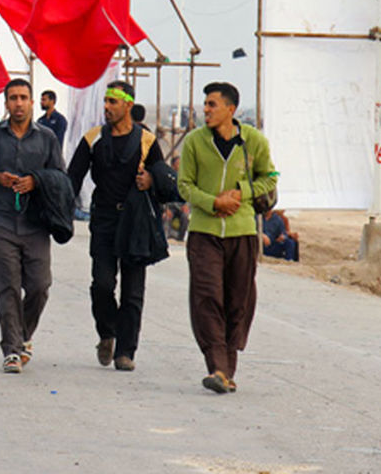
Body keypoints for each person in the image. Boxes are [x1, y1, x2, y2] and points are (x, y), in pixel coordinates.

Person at [179, 82, 277, 394]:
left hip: (243, 232)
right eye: (204, 104)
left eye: (211, 105)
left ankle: (227, 368)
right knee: (206, 296)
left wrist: (242, 193)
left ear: (230, 110)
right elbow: (184, 185)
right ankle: (217, 367)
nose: (205, 110)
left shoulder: (254, 142)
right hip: (204, 232)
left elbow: (270, 178)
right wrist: (213, 202)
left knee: (238, 299)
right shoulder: (194, 141)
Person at [66, 81, 167, 372]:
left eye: (113, 101)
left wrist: (150, 179)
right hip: (104, 219)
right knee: (102, 284)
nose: (107, 107)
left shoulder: (147, 141)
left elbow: (162, 176)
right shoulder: (93, 138)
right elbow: (72, 178)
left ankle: (126, 351)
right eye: (106, 101)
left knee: (133, 291)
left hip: (136, 222)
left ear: (128, 105)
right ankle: (107, 332)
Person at [0, 78, 66, 374]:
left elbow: (60, 177)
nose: (18, 103)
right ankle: (11, 349)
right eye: (12, 98)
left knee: (40, 286)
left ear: (31, 100)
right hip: (1, 218)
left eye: (24, 97)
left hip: (36, 222)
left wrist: (35, 180)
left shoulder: (47, 137)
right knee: (7, 287)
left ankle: (23, 334)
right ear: (6, 102)